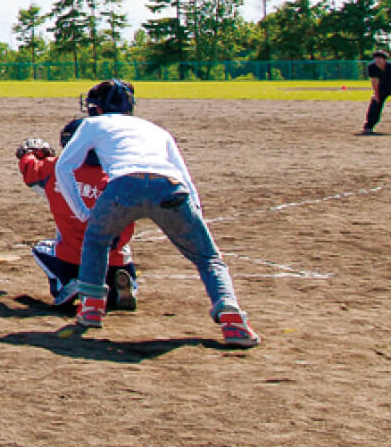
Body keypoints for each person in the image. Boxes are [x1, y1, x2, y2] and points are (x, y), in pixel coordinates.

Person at [57, 79, 258, 347]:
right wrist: (194, 212)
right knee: (208, 257)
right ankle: (232, 318)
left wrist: (83, 212)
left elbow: (63, 167)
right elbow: (184, 177)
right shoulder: (156, 130)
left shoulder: (93, 124)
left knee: (96, 240)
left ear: (97, 107)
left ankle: (91, 308)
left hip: (123, 186)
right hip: (171, 189)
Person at [16, 121, 136, 311]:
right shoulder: (118, 173)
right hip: (112, 256)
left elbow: (30, 170)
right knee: (121, 247)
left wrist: (30, 154)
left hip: (72, 257)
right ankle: (125, 285)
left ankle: (67, 285)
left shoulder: (54, 168)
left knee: (40, 249)